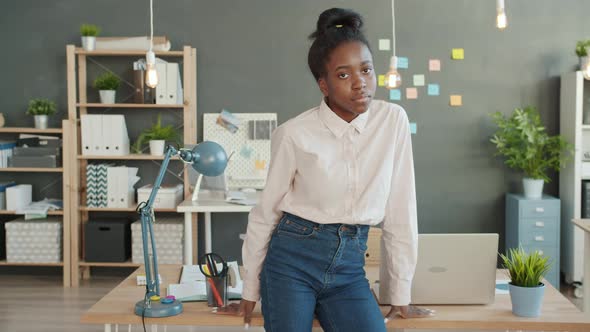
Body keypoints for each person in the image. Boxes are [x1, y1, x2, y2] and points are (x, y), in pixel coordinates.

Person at [218, 7, 434, 331]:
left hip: (349, 269)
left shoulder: (392, 121)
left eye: (366, 70)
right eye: (344, 75)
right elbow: (266, 213)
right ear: (324, 85)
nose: (360, 83)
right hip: (291, 263)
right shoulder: (294, 134)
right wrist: (250, 287)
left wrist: (400, 290)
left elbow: (401, 208)